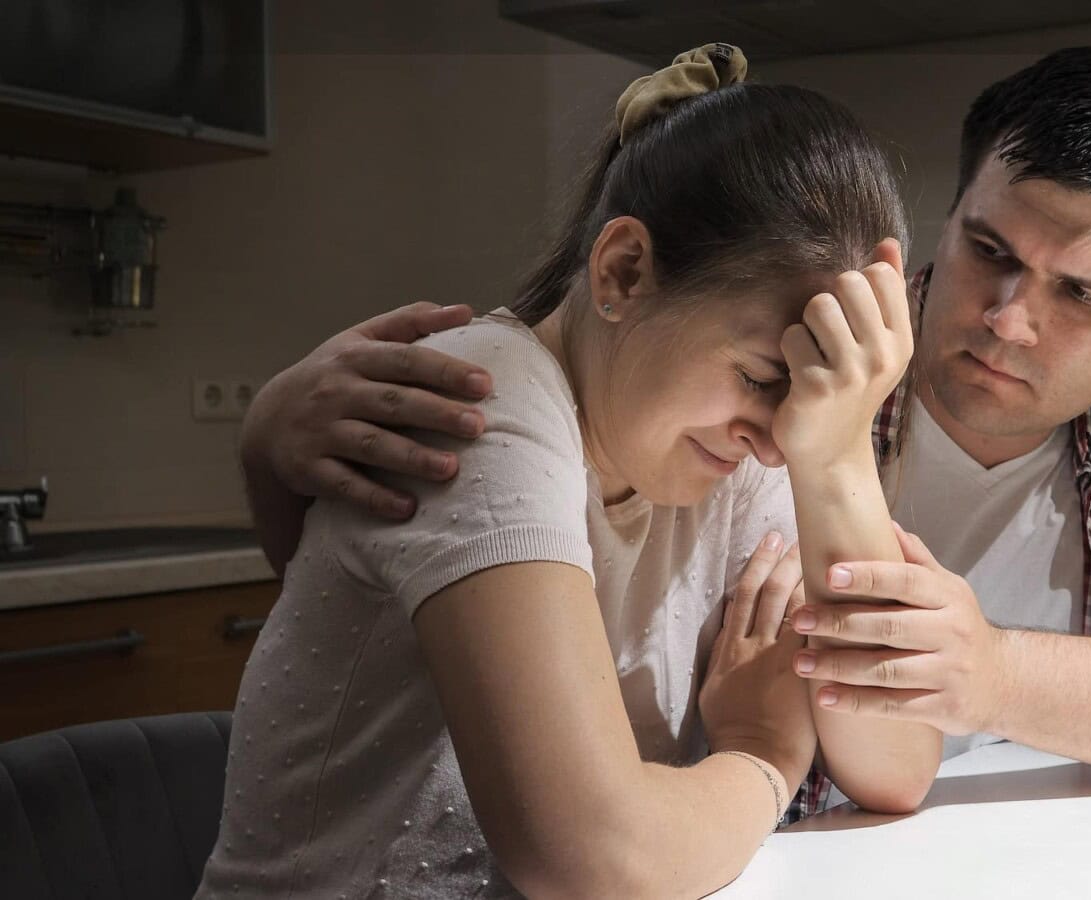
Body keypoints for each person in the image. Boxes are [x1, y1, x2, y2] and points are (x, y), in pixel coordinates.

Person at [239, 47, 1091, 819]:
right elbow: (429, 592)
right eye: (988, 251)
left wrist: (992, 674)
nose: (1005, 319)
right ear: (952, 215)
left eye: (1080, 295)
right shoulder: (767, 378)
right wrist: (267, 452)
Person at [200, 44, 938, 898]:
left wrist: (839, 451)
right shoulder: (485, 405)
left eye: (810, 401)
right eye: (762, 379)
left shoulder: (737, 445)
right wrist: (763, 756)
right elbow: (592, 857)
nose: (779, 441)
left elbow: (899, 764)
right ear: (623, 270)